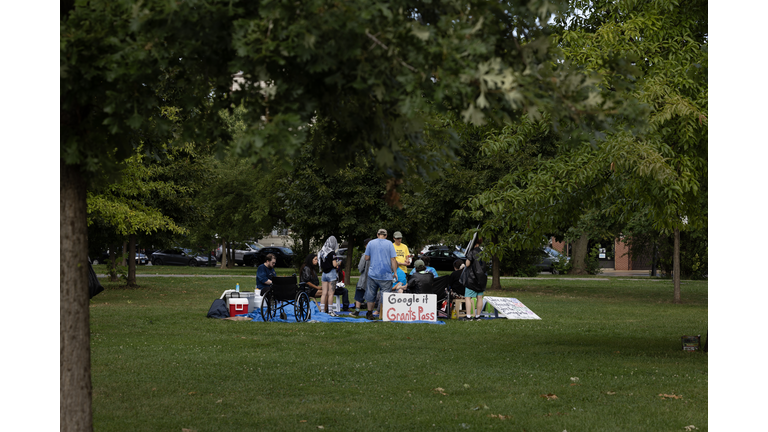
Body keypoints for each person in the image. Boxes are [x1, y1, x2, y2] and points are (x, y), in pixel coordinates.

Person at [364, 228, 398, 320]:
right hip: (386, 274)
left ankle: (369, 313)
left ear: (377, 234)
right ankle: (383, 314)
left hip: (373, 274)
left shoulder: (371, 243)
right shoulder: (390, 244)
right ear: (386, 236)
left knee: (371, 294)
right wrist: (395, 272)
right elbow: (393, 259)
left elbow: (366, 258)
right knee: (385, 295)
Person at [463, 237, 488, 321]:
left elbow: (467, 264)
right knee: (479, 297)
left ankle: (468, 316)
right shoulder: (483, 252)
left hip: (472, 278)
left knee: (468, 297)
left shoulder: (471, 252)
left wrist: (467, 259)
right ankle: (478, 316)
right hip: (482, 278)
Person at [318, 236, 340, 316]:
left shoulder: (322, 252)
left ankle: (322, 310)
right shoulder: (332, 253)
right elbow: (334, 264)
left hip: (324, 274)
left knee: (324, 293)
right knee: (331, 293)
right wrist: (339, 263)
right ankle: (330, 311)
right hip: (331, 273)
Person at [352, 238, 372, 316]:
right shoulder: (377, 255)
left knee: (359, 293)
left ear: (365, 246)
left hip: (364, 279)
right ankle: (370, 312)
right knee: (371, 295)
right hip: (373, 279)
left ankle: (357, 311)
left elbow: (360, 268)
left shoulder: (364, 255)